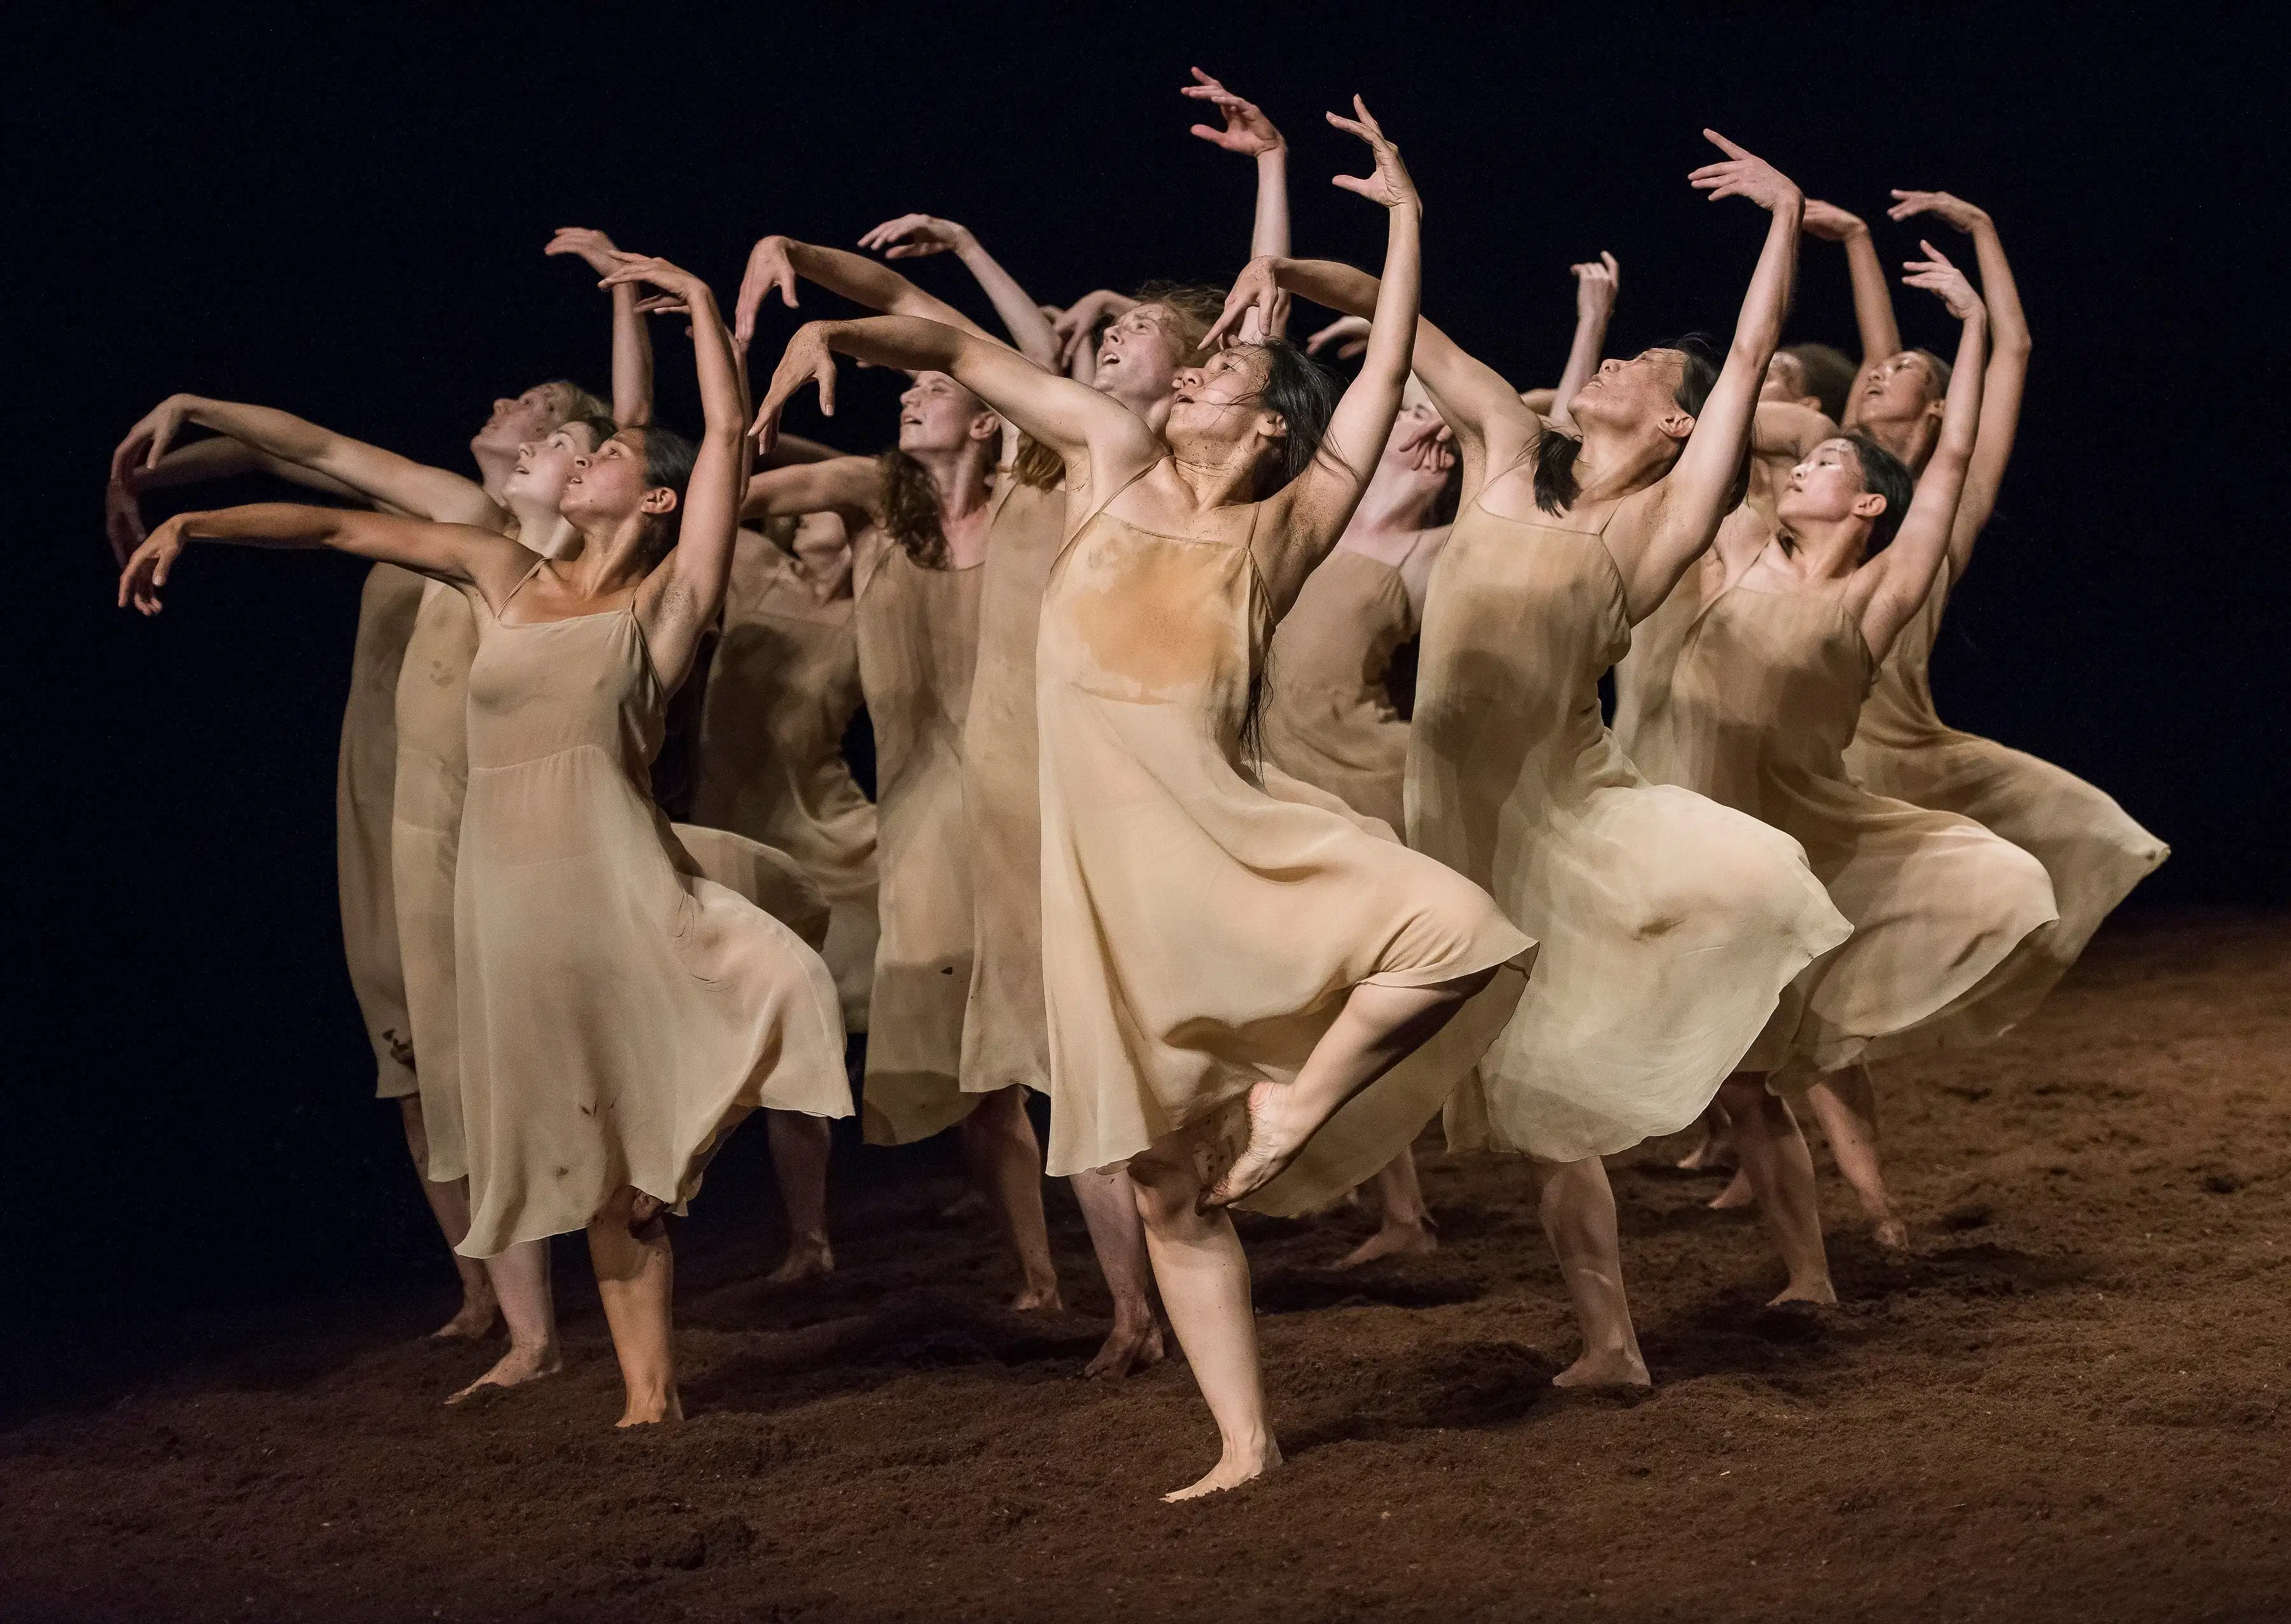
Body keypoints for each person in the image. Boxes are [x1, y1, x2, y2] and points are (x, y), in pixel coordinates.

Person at [757, 99, 1533, 1499]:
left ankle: (1296, 1112)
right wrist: (829, 306)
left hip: (1221, 835)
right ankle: (1245, 1439)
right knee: (1167, 1181)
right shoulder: (1109, 465)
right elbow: (951, 344)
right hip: (1101, 888)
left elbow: (1388, 365)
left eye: (1223, 368)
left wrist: (1407, 216)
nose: (1190, 378)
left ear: (1270, 414)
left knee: (1461, 929)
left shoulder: (1285, 518)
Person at [121, 253, 853, 1427]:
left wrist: (707, 312)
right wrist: (201, 523)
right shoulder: (502, 575)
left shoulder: (667, 602)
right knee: (579, 1147)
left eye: (610, 455)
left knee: (662, 1122)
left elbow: (722, 432)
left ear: (654, 503)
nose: (589, 457)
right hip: (507, 904)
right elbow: (335, 525)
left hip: (617, 889)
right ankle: (645, 1395)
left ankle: (678, 1272)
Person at [1224, 131, 1851, 1376]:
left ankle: (1774, 1266)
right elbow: (1420, 340)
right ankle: (1608, 1341)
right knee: (1533, 1110)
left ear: (1675, 422)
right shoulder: (1507, 459)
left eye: (1638, 364)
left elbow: (1736, 374)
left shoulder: (1663, 520)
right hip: (1445, 818)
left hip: (1564, 819)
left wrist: (1782, 221)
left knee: (1573, 1092)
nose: (1608, 364)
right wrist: (1292, 271)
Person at [1618, 240, 2058, 1303]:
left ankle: (1851, 1231)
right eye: (1805, 461)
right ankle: (1810, 1269)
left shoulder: (1877, 595)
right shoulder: (1729, 548)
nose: (1807, 465)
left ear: (1868, 510)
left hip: (1792, 832)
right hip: (1687, 821)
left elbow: (1950, 468)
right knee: (1741, 1068)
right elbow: (1716, 434)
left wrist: (1974, 328)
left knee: (1781, 1055)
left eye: (1827, 468)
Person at [1256, 379, 1459, 1268]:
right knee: (1307, 997)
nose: (1434, 429)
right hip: (1270, 781)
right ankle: (1392, 1202)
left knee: (1360, 996)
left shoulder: (1429, 551)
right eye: (1413, 410)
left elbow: (1519, 478)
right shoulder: (1302, 515)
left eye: (1444, 424)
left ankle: (1399, 1203)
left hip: (1370, 783)